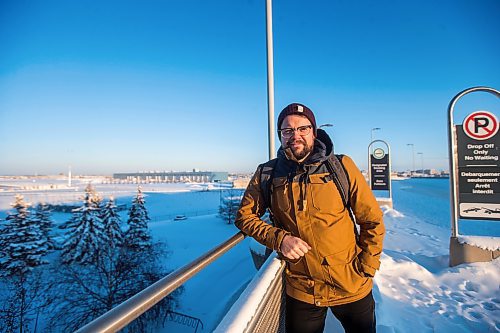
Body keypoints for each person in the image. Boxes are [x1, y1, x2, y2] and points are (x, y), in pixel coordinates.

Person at [235, 103, 385, 333]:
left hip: (352, 283)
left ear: (314, 132)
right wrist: (279, 239)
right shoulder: (267, 174)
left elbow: (371, 219)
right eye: (287, 131)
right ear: (281, 136)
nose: (295, 135)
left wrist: (367, 266)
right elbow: (244, 217)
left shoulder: (342, 166)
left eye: (302, 129)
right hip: (303, 289)